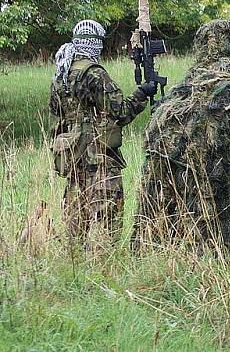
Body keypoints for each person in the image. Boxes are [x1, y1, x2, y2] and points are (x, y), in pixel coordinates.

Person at [132, 19, 230, 274]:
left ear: (199, 49)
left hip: (174, 214)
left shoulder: (175, 99)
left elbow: (151, 184)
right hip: (224, 205)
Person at [50, 19, 154, 250]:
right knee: (110, 212)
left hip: (73, 155)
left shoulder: (61, 74)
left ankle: (74, 257)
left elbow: (56, 116)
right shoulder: (94, 74)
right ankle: (106, 259)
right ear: (95, 44)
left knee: (76, 209)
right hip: (99, 156)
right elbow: (121, 112)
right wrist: (142, 94)